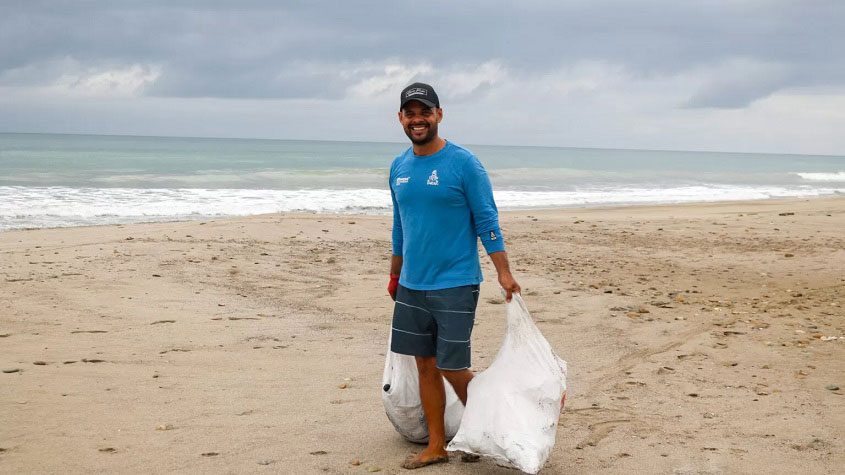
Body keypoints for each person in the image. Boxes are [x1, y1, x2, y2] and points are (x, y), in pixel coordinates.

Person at [387, 82, 521, 469]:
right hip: (412, 284)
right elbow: (400, 226)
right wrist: (395, 275)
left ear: (439, 115)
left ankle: (499, 425)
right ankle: (436, 445)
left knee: (451, 365)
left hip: (456, 283)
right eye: (410, 113)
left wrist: (504, 272)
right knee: (424, 364)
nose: (418, 119)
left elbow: (487, 219)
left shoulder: (463, 164)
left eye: (424, 112)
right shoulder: (399, 167)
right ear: (400, 118)